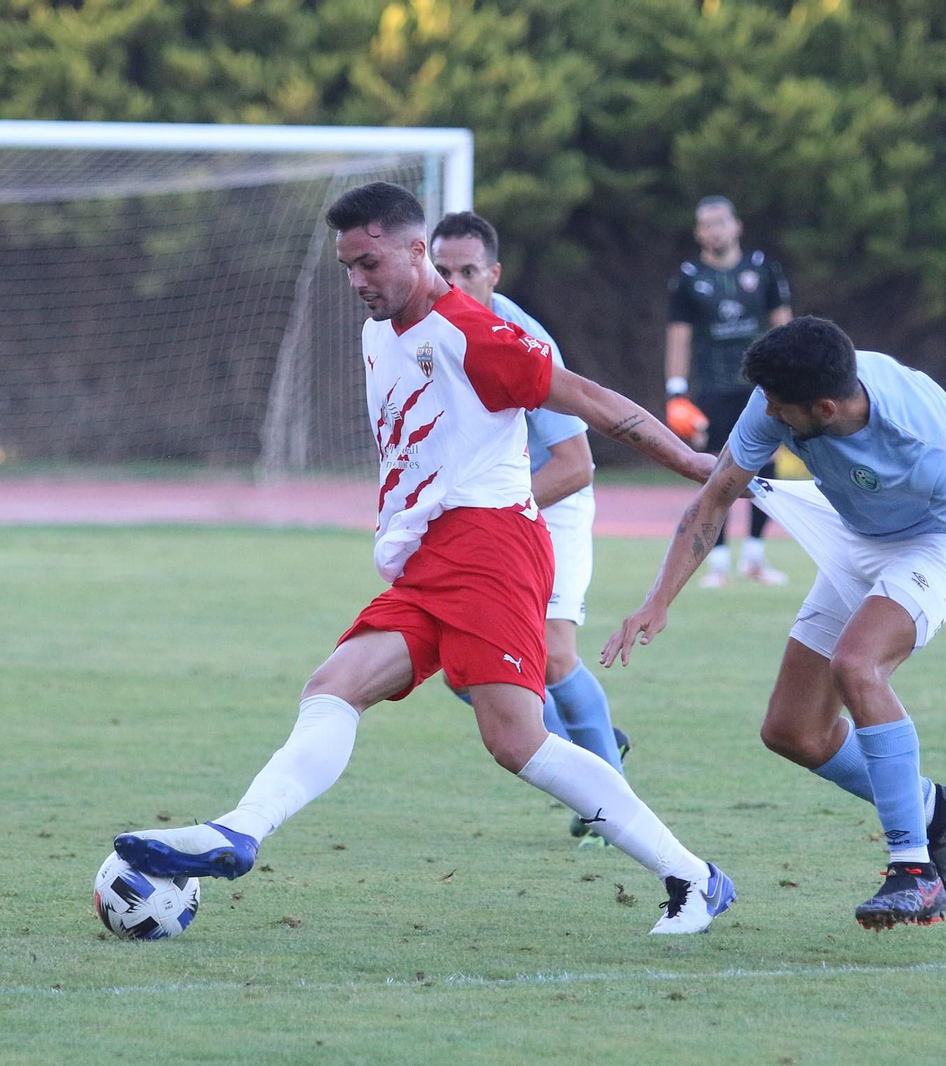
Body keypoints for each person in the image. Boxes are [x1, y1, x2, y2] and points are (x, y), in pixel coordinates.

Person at [115, 182, 735, 935]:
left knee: (516, 741)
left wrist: (692, 464)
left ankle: (693, 877)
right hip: (429, 558)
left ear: (416, 251)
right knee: (334, 685)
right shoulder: (379, 330)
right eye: (348, 266)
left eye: (369, 263)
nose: (357, 281)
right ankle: (238, 832)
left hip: (491, 550)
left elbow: (594, 401)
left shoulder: (475, 332)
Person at [603, 316, 946, 930]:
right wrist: (658, 600)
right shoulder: (779, 396)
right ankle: (938, 809)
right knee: (792, 731)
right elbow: (717, 494)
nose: (767, 414)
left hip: (932, 545)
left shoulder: (924, 445)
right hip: (852, 528)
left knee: (857, 666)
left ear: (826, 408)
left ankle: (914, 871)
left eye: (780, 408)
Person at [429, 210, 629, 848]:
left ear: (494, 274)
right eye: (442, 270)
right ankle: (585, 753)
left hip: (550, 501)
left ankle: (613, 805)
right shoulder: (417, 332)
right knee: (461, 669)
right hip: (485, 507)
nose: (454, 284)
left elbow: (575, 465)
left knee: (553, 653)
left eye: (468, 271)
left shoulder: (521, 342)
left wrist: (489, 514)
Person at [665, 196, 794, 587]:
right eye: (706, 224)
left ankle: (755, 556)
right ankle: (717, 562)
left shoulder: (764, 269)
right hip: (712, 388)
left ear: (736, 226)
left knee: (766, 466)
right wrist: (676, 391)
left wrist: (791, 377)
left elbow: (784, 327)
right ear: (698, 232)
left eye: (720, 221)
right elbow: (678, 336)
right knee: (716, 469)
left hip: (760, 388)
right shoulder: (688, 278)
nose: (714, 230)